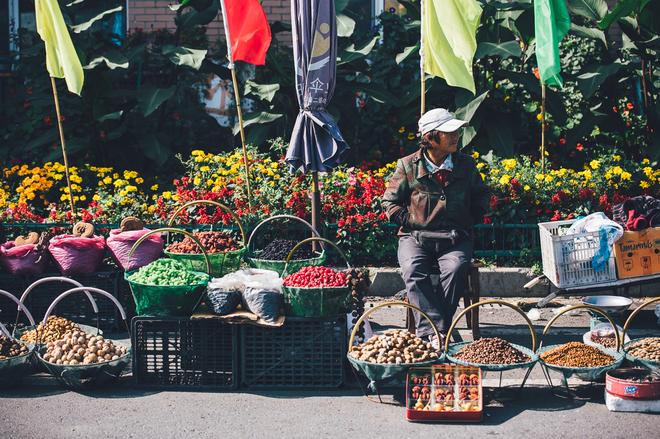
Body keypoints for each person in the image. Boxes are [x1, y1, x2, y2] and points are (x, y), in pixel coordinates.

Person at [382, 108, 490, 347]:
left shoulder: (466, 165)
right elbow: (389, 202)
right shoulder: (408, 165)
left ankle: (432, 332)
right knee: (412, 269)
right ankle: (438, 331)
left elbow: (481, 197)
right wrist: (410, 222)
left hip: (455, 238)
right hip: (415, 237)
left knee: (456, 267)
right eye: (449, 132)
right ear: (430, 138)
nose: (456, 136)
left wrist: (466, 222)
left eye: (457, 131)